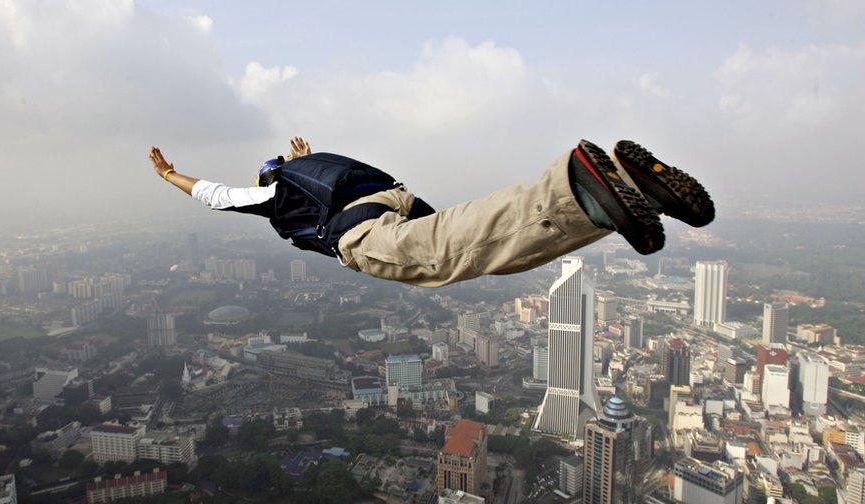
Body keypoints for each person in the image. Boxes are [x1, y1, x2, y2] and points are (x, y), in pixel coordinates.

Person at [148, 137, 713, 288]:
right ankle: (618, 199)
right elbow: (321, 176)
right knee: (480, 251)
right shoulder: (317, 168)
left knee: (455, 251)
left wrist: (172, 175)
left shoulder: (275, 193)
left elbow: (215, 195)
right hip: (392, 198)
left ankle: (579, 193)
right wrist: (305, 158)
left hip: (357, 229)